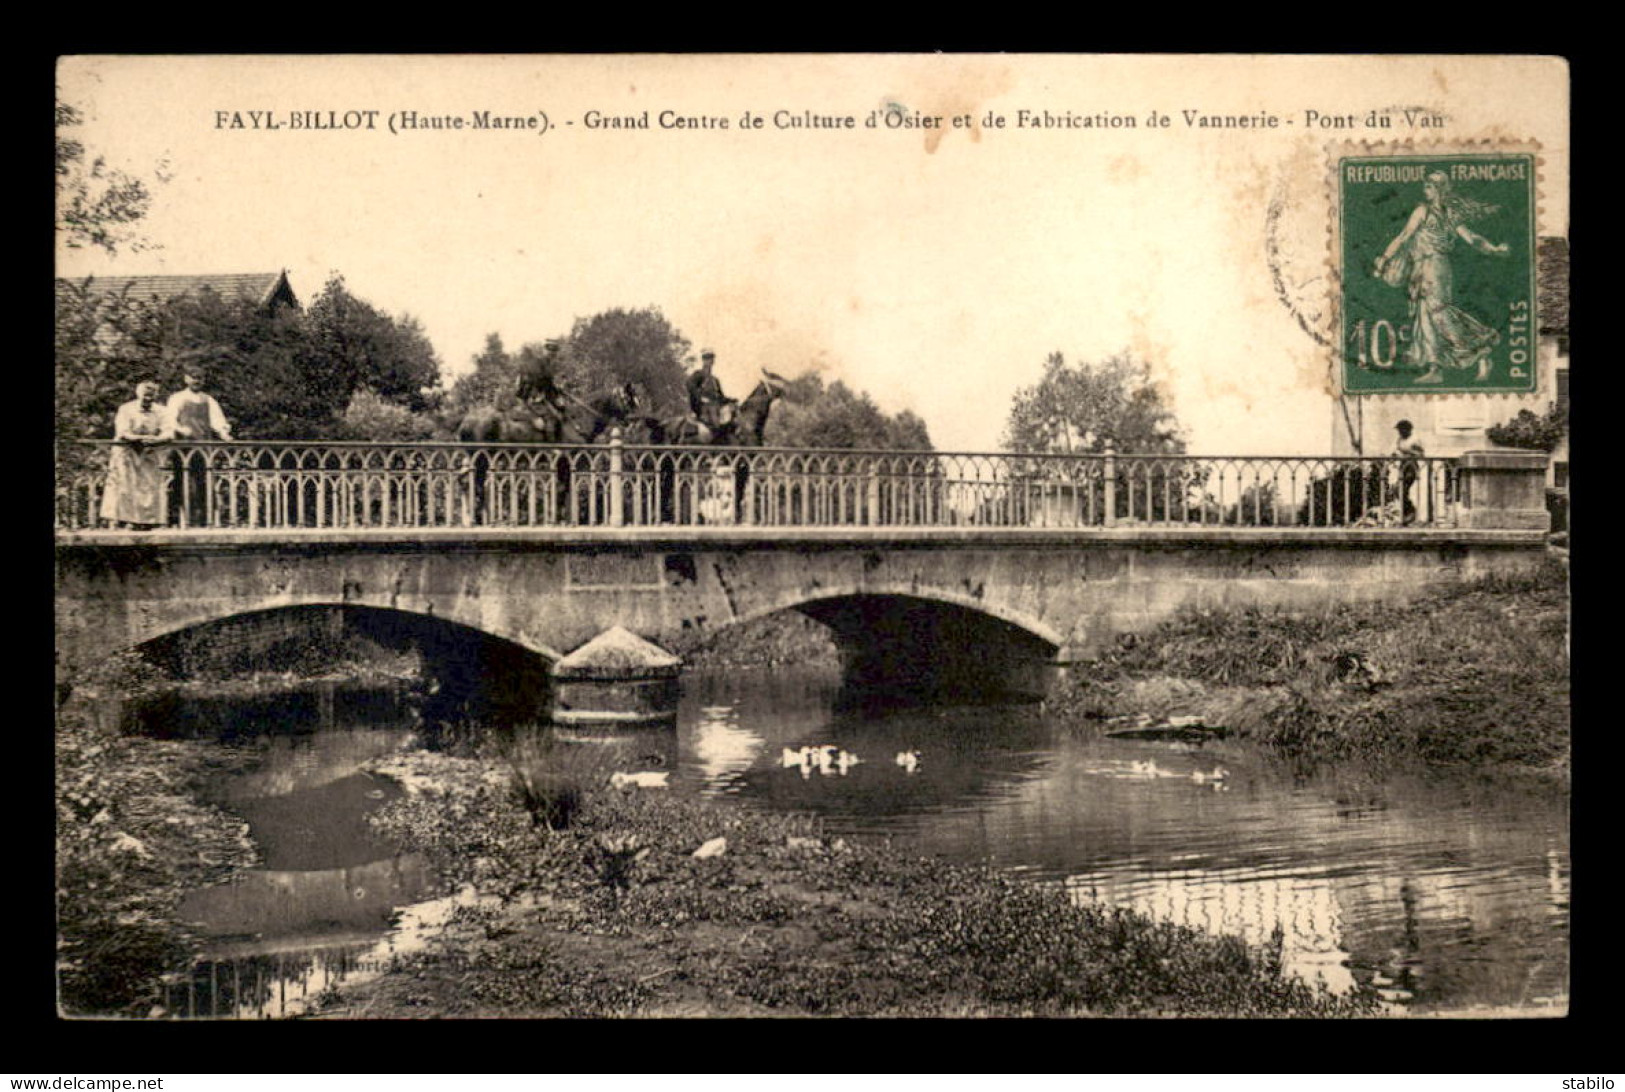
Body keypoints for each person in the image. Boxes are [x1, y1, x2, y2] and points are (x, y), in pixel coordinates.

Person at [1373, 171, 1510, 384]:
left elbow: (1403, 236)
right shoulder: (1449, 214)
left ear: (1439, 189)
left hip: (1433, 267)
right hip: (1427, 267)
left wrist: (1384, 256)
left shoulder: (1424, 211)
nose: (1424, 190)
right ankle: (1435, 368)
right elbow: (1472, 239)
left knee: (1439, 313)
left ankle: (1481, 353)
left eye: (1428, 186)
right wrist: (1494, 249)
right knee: (1425, 315)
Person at [164, 368, 233, 527]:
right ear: (186, 379)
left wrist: (224, 433)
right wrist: (181, 430)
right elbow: (170, 419)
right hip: (184, 447)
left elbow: (217, 420)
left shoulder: (208, 399)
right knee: (183, 480)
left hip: (204, 446)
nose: (197, 381)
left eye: (200, 378)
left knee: (205, 480)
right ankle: (181, 519)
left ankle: (205, 519)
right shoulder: (177, 398)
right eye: (194, 377)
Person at [100, 381, 171, 529]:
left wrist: (156, 440)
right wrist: (137, 439)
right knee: (124, 486)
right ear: (138, 394)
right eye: (145, 395)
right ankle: (120, 521)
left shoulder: (162, 411)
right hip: (127, 451)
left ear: (156, 396)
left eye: (151, 396)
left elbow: (168, 431)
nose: (148, 399)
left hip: (149, 452)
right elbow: (123, 432)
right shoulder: (126, 409)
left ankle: (146, 521)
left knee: (148, 487)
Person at [686, 348, 731, 431]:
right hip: (702, 407)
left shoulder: (715, 380)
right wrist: (700, 398)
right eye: (707, 358)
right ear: (703, 360)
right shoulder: (698, 374)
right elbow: (690, 385)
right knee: (714, 415)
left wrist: (730, 400)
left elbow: (721, 396)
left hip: (715, 406)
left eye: (711, 358)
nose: (710, 361)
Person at [1393, 419, 1425, 525]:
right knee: (1397, 490)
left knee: (1403, 490)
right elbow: (1397, 450)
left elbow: (1421, 454)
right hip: (1402, 467)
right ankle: (1407, 513)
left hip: (1411, 467)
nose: (1400, 432)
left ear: (1407, 429)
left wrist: (1408, 453)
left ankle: (1411, 513)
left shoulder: (1414, 440)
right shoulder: (1400, 439)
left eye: (1401, 430)